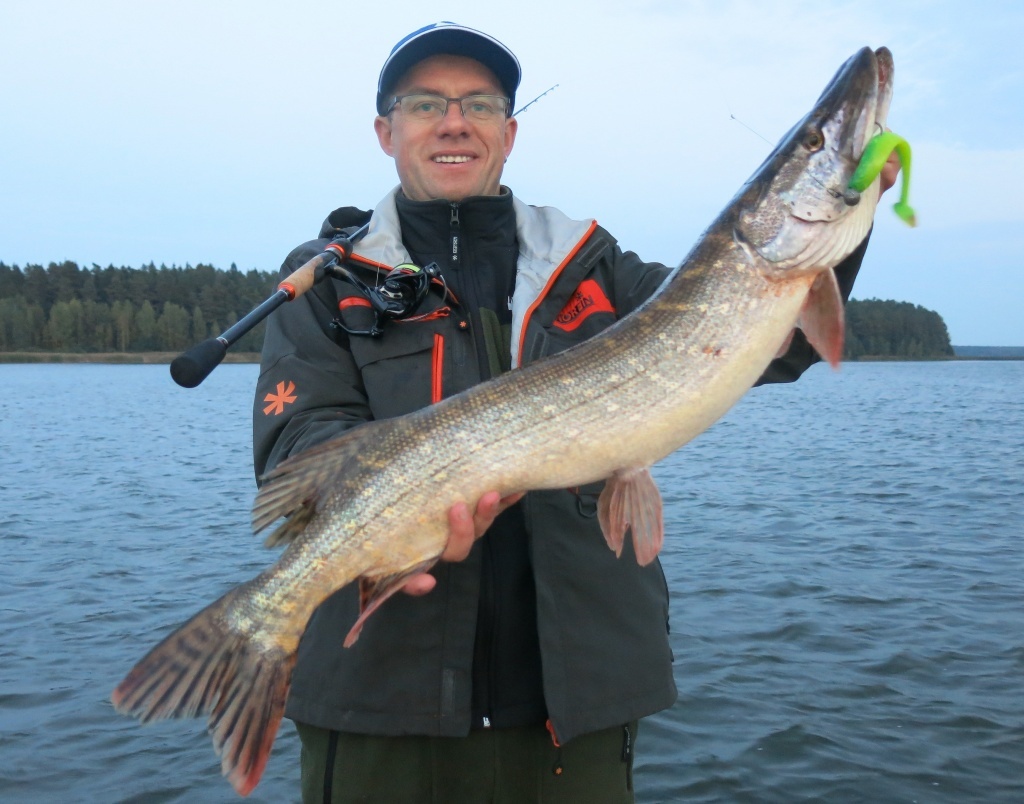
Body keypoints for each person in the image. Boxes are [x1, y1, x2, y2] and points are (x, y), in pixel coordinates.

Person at [253, 22, 897, 803]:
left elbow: (781, 346)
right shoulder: (322, 283)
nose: (454, 122)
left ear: (509, 132)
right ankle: (251, 641)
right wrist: (403, 517)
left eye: (479, 104)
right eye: (426, 104)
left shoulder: (595, 263)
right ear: (386, 132)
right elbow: (299, 452)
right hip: (381, 700)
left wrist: (839, 230)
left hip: (575, 710)